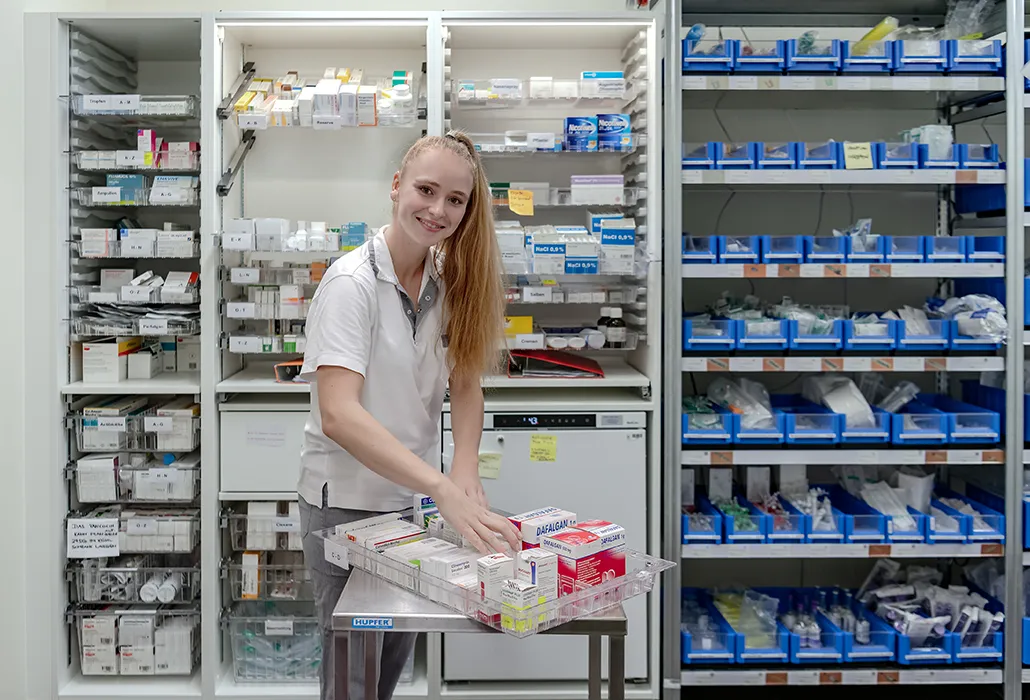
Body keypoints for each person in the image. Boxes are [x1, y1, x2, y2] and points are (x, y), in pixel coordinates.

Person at [297, 130, 522, 700]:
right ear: (396, 186)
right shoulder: (351, 284)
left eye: (455, 199)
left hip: (409, 505)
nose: (438, 209)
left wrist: (464, 469)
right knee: (352, 680)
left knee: (390, 665)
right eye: (426, 189)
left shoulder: (447, 284)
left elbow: (466, 383)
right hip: (344, 508)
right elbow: (338, 415)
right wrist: (440, 485)